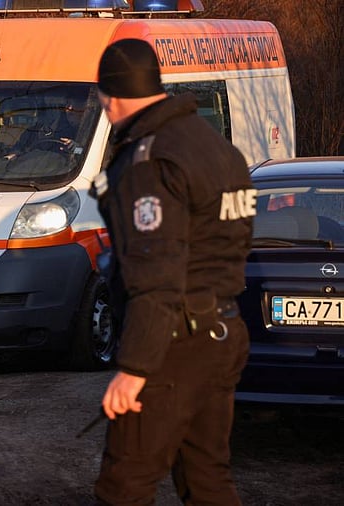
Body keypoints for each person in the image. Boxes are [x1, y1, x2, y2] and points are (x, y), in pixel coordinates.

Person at [90, 39, 255, 505]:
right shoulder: (219, 150)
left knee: (124, 486)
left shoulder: (149, 161)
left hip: (171, 345)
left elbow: (156, 271)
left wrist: (134, 368)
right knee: (207, 479)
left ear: (111, 96)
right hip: (223, 330)